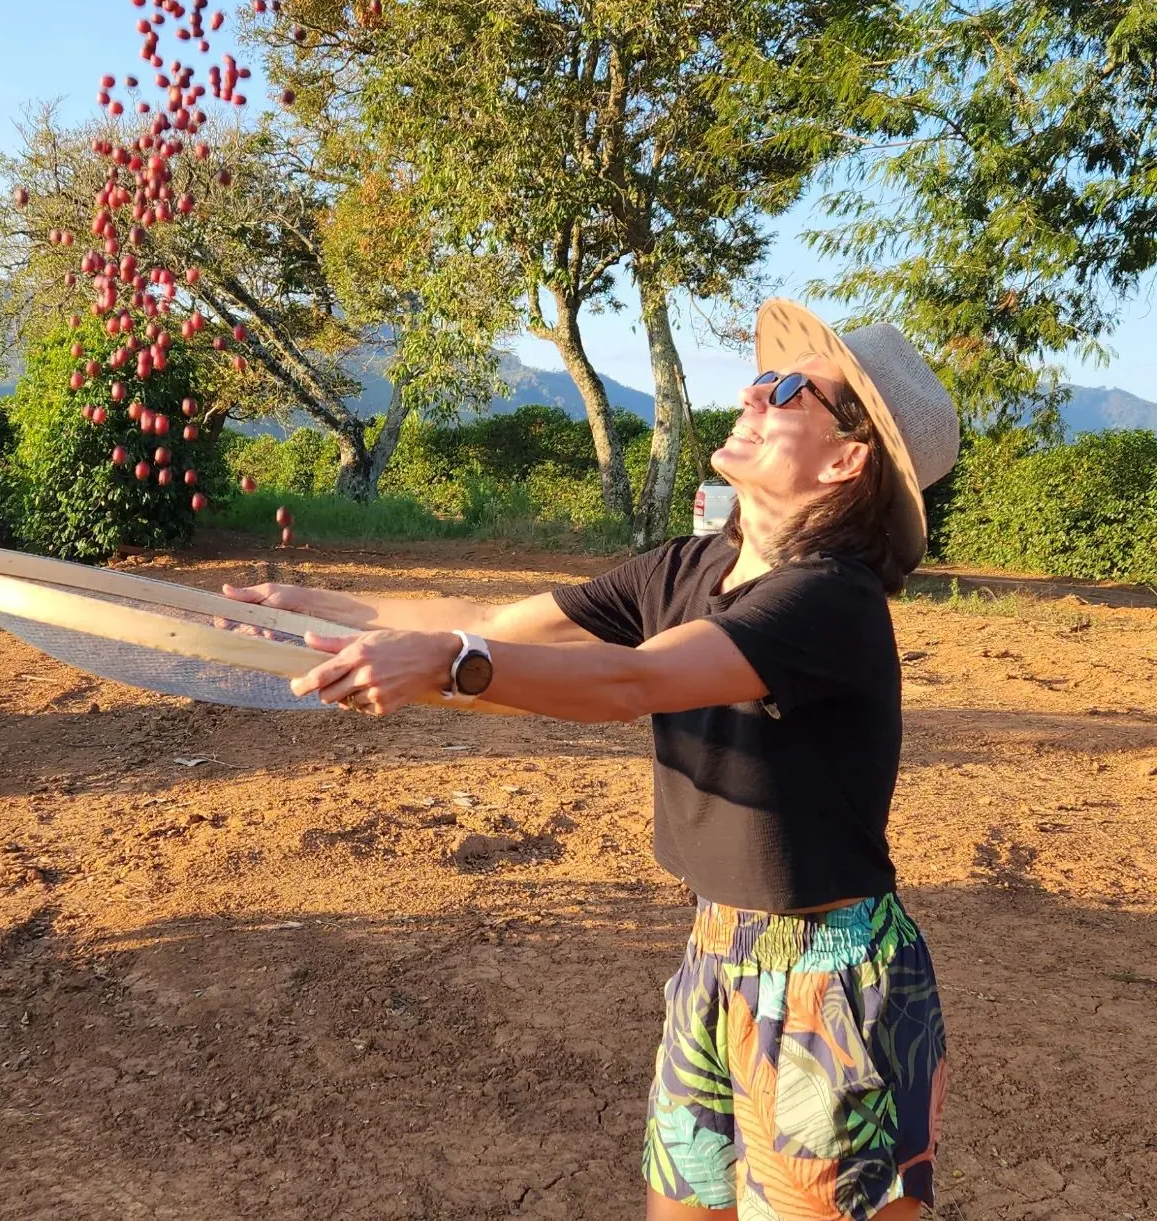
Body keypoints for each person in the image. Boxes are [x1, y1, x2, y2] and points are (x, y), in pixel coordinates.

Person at [225, 299, 959, 1221]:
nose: (751, 392)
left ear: (848, 457)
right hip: (714, 956)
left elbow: (629, 683)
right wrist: (318, 610)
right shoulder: (684, 570)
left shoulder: (831, 603)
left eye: (786, 389)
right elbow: (490, 622)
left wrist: (453, 670)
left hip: (831, 983)